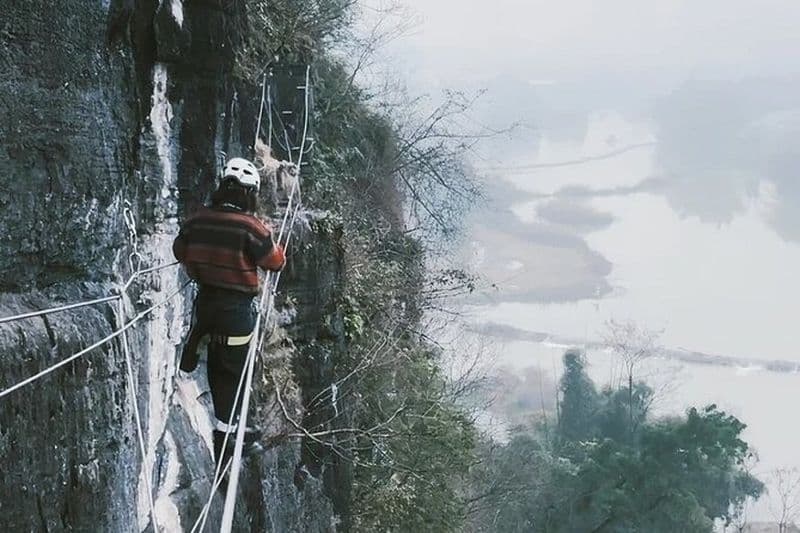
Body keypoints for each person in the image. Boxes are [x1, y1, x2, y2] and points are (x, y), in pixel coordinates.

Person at [172, 156, 285, 465]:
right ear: (249, 194)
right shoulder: (251, 227)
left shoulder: (198, 219)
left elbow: (179, 250)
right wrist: (270, 240)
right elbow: (276, 262)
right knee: (230, 374)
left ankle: (192, 351)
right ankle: (226, 443)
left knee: (217, 364)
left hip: (205, 305)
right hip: (235, 314)